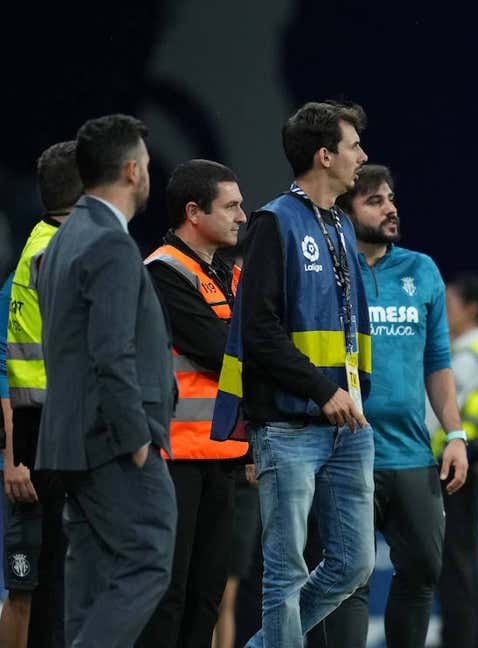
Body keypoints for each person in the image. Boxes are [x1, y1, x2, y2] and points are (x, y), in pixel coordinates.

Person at [210, 100, 375, 648]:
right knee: (284, 574)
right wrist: (323, 389)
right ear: (325, 156)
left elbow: (351, 326)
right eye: (353, 147)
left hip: (348, 424)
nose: (362, 156)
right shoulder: (273, 222)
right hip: (289, 425)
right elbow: (258, 331)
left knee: (354, 564)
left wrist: (355, 393)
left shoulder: (342, 225)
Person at [36, 113, 177, 646]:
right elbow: (111, 353)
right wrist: (137, 438)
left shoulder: (67, 236)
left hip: (68, 443)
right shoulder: (111, 244)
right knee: (147, 559)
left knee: (91, 580)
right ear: (131, 170)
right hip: (113, 444)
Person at [321, 163, 470, 647]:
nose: (390, 209)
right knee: (348, 582)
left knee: (424, 570)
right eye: (374, 201)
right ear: (346, 211)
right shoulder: (325, 273)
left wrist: (455, 433)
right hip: (345, 454)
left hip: (411, 454)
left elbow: (438, 361)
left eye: (391, 199)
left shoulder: (421, 269)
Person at [136, 160, 249, 647]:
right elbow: (222, 349)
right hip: (174, 460)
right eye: (231, 206)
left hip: (223, 458)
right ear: (193, 213)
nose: (242, 216)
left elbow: (257, 340)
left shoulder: (226, 272)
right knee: (169, 593)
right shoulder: (162, 271)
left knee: (207, 595)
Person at [1, 140, 81, 648]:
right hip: (31, 463)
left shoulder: (83, 260)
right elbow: (8, 377)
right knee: (25, 593)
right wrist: (15, 461)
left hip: (73, 459)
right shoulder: (22, 280)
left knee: (68, 591)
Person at [433, 273, 478, 648]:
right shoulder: (469, 352)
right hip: (462, 469)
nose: (440, 313)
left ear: (472, 311)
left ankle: (461, 640)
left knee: (455, 567)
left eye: (447, 307)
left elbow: (436, 413)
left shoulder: (472, 357)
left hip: (461, 471)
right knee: (460, 565)